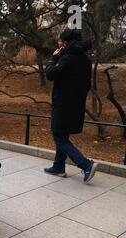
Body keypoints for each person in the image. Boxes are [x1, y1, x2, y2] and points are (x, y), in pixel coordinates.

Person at [45, 29, 98, 184]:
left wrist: (53, 58)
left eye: (61, 41)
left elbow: (50, 74)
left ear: (66, 43)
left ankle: (86, 164)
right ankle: (58, 166)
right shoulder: (85, 60)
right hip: (77, 104)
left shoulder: (68, 59)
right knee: (63, 134)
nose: (59, 44)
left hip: (63, 104)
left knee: (59, 136)